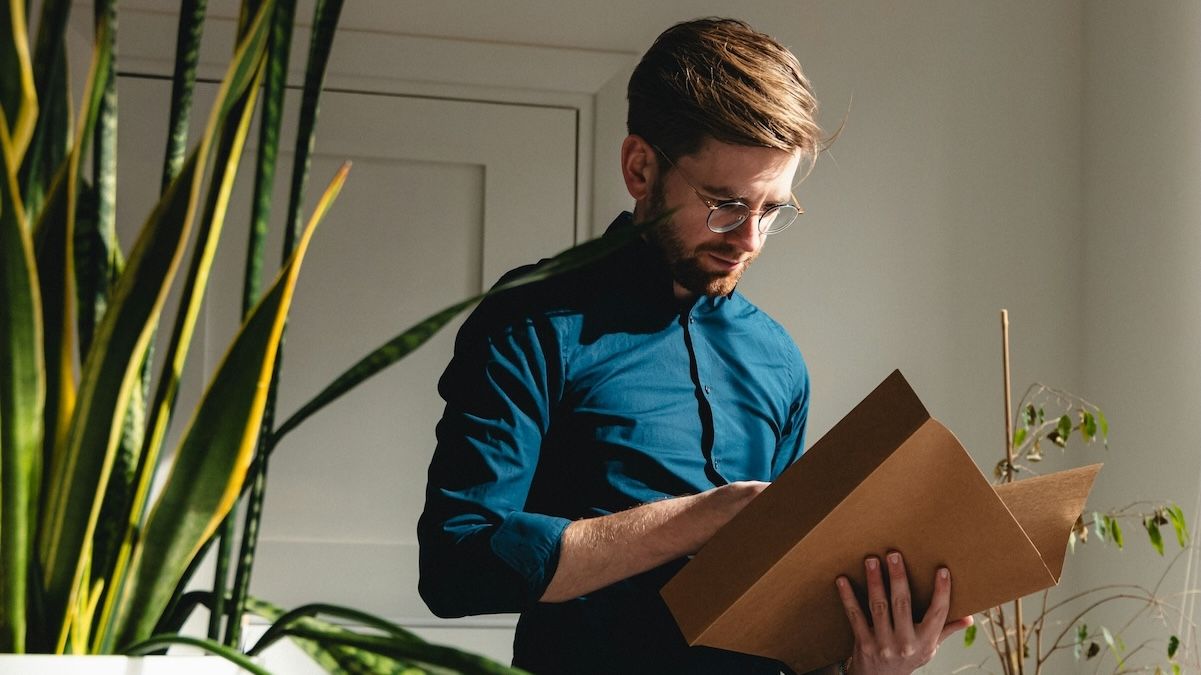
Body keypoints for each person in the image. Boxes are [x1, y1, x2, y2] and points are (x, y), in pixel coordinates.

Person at [417, 17, 972, 674]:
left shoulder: (777, 359)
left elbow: (783, 619)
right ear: (639, 166)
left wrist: (865, 666)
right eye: (723, 204)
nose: (749, 239)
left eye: (770, 209)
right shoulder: (534, 320)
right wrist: (701, 518)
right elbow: (457, 563)